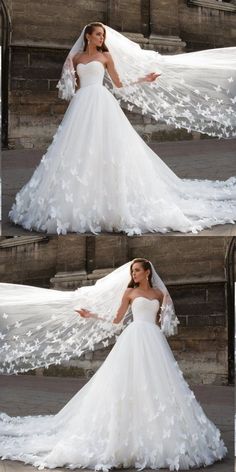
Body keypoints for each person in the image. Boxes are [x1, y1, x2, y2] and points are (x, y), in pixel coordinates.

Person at [9, 23, 236, 235]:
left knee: (110, 149)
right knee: (76, 148)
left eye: (103, 35)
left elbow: (118, 84)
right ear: (87, 36)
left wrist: (144, 79)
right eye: (98, 34)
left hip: (101, 102)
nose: (101, 38)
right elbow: (71, 87)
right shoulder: (76, 57)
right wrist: (68, 73)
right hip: (81, 105)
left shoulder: (105, 56)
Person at [0, 259, 227, 470]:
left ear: (148, 272)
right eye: (132, 271)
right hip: (134, 338)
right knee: (124, 384)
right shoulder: (129, 292)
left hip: (154, 340)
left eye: (137, 270)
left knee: (157, 384)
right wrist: (92, 315)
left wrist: (167, 310)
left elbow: (165, 323)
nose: (134, 273)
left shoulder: (159, 294)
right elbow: (117, 320)